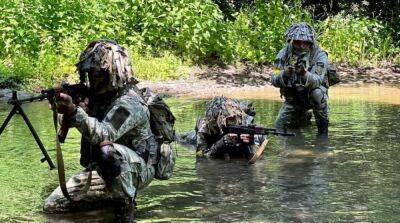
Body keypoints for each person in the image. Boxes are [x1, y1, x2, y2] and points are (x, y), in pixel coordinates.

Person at [54, 39, 175, 222]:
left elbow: (104, 134)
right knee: (53, 206)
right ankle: (106, 206)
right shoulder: (99, 98)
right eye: (89, 73)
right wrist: (74, 110)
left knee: (107, 150)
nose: (93, 79)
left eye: (98, 73)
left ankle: (125, 208)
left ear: (111, 72)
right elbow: (77, 125)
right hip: (106, 166)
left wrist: (73, 110)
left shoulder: (129, 103)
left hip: (137, 166)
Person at [271, 22, 330, 137]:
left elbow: (317, 80)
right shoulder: (283, 53)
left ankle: (322, 130)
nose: (301, 45)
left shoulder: (319, 55)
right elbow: (273, 79)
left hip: (313, 96)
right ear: (292, 41)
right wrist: (284, 74)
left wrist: (304, 73)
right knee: (280, 128)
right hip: (293, 98)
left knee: (317, 93)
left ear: (311, 42)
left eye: (305, 42)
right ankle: (302, 117)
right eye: (298, 42)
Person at [180, 96, 267, 164]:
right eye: (227, 119)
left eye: (233, 118)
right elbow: (202, 157)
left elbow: (253, 156)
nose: (232, 121)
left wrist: (249, 143)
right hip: (200, 138)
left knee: (259, 135)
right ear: (215, 120)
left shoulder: (241, 120)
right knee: (182, 139)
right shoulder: (205, 127)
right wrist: (222, 142)